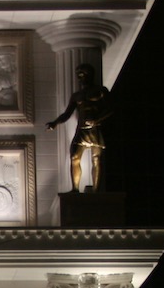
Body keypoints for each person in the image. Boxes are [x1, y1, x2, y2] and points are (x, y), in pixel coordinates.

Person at [46, 63, 114, 192]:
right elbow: (67, 114)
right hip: (82, 129)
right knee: (74, 157)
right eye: (78, 75)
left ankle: (96, 190)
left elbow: (110, 109)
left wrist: (97, 120)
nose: (79, 78)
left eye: (82, 75)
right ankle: (75, 189)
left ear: (89, 75)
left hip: (96, 128)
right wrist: (55, 122)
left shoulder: (101, 91)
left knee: (96, 158)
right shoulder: (76, 96)